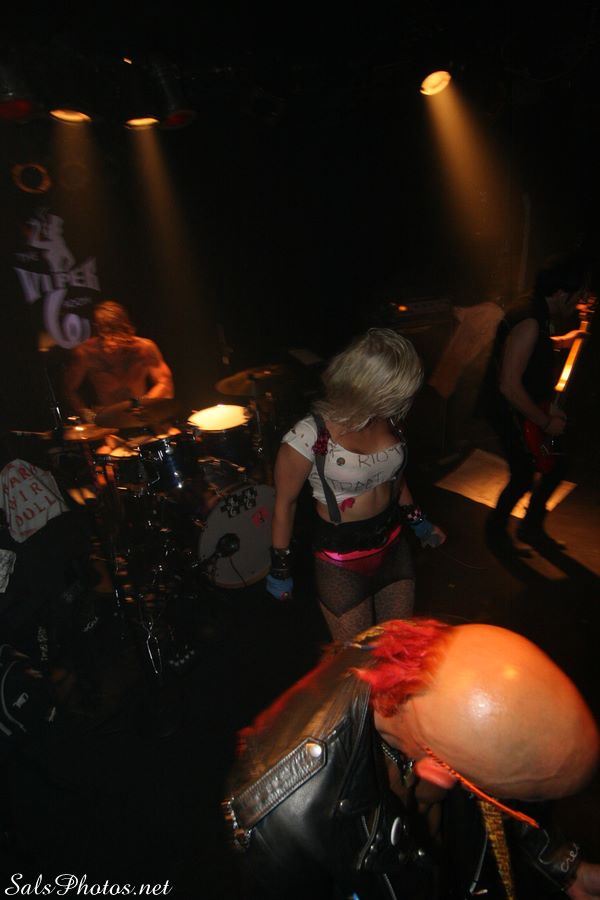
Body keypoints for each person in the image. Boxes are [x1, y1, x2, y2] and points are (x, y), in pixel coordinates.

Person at [223, 618, 600, 900]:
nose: (518, 806)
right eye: (524, 797)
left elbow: (505, 785)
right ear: (447, 767)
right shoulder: (278, 811)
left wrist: (564, 865)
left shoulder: (437, 659)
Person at [266, 327, 445, 641]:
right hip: (340, 559)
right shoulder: (308, 436)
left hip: (392, 543)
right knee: (354, 656)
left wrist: (419, 521)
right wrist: (280, 567)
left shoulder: (388, 418)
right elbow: (285, 504)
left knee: (398, 644)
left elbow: (393, 477)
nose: (405, 400)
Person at [483, 253, 592, 549]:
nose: (579, 303)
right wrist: (546, 422)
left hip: (530, 407)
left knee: (557, 464)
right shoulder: (531, 320)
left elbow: (529, 346)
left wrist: (564, 340)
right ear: (561, 293)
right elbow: (509, 385)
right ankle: (495, 533)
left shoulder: (536, 310)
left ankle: (530, 527)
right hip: (512, 411)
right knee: (523, 474)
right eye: (578, 296)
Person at [62, 300, 174, 425]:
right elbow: (69, 390)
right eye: (107, 336)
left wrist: (144, 403)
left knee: (172, 433)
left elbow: (165, 381)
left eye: (118, 337)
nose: (112, 343)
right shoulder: (85, 352)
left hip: (143, 417)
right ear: (98, 330)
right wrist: (89, 416)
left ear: (126, 330)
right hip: (107, 423)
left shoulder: (145, 348)